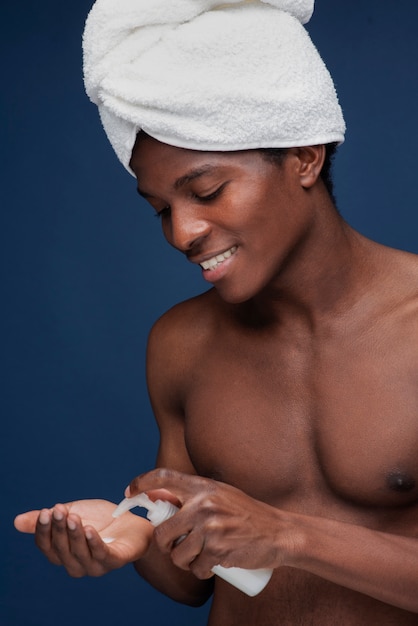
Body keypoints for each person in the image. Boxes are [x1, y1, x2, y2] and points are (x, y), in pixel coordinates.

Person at [14, 1, 418, 624]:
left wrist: (289, 536)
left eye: (206, 192)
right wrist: (132, 534)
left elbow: (274, 538)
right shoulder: (181, 343)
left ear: (305, 156)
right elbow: (193, 584)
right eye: (160, 208)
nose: (183, 232)